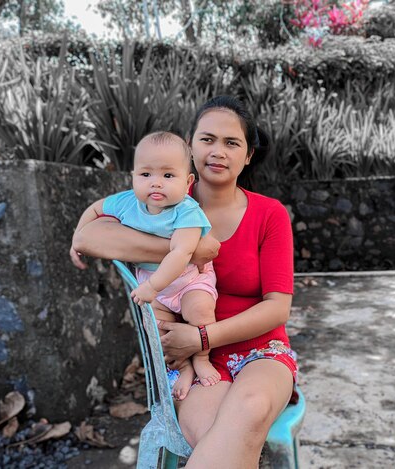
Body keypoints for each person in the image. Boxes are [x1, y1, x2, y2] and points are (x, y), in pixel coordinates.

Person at [71, 96, 297, 468]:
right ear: (190, 146)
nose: (218, 151)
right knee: (218, 436)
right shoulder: (159, 203)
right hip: (189, 359)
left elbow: (277, 307)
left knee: (251, 409)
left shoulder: (269, 214)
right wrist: (186, 248)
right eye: (207, 139)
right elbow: (87, 238)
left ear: (249, 155)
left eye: (232, 143)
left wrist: (203, 336)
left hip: (261, 351)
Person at [69, 131, 220, 400]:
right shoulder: (128, 202)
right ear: (133, 176)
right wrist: (76, 239)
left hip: (188, 280)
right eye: (146, 175)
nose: (156, 184)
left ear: (188, 182)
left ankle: (202, 358)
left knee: (200, 312)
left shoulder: (187, 211)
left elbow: (181, 252)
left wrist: (152, 286)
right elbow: (94, 209)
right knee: (160, 334)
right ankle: (183, 368)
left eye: (168, 175)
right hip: (154, 287)